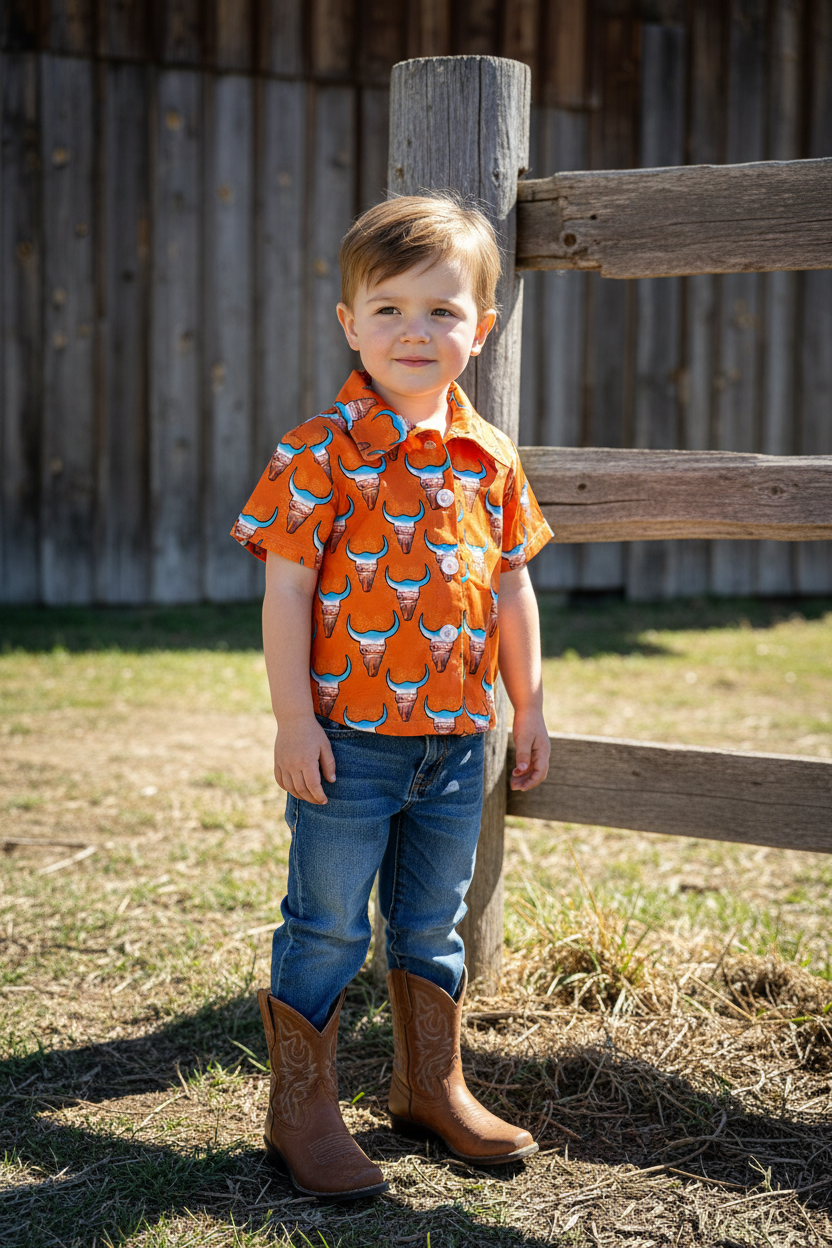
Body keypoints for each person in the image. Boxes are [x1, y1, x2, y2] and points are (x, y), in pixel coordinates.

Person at [232, 193, 553, 1200]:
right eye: (389, 310)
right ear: (349, 323)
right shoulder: (316, 452)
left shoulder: (490, 457)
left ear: (481, 328)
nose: (416, 332)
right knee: (326, 920)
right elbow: (286, 591)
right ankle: (302, 1112)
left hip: (459, 741)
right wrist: (293, 718)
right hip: (350, 743)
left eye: (442, 311)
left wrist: (529, 705)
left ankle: (429, 1085)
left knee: (433, 920)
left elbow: (510, 583)